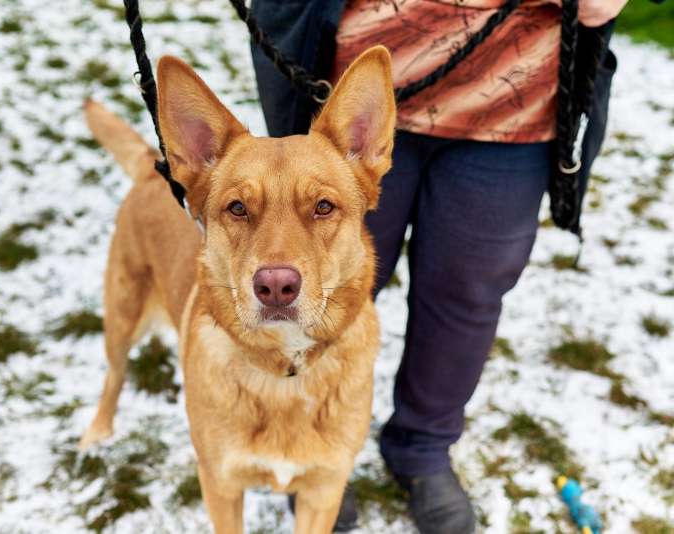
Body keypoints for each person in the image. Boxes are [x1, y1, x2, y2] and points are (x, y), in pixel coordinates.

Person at [249, 0, 633, 532]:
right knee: (316, 295)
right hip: (354, 98)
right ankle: (306, 447)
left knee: (466, 295)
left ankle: (422, 448)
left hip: (514, 103)